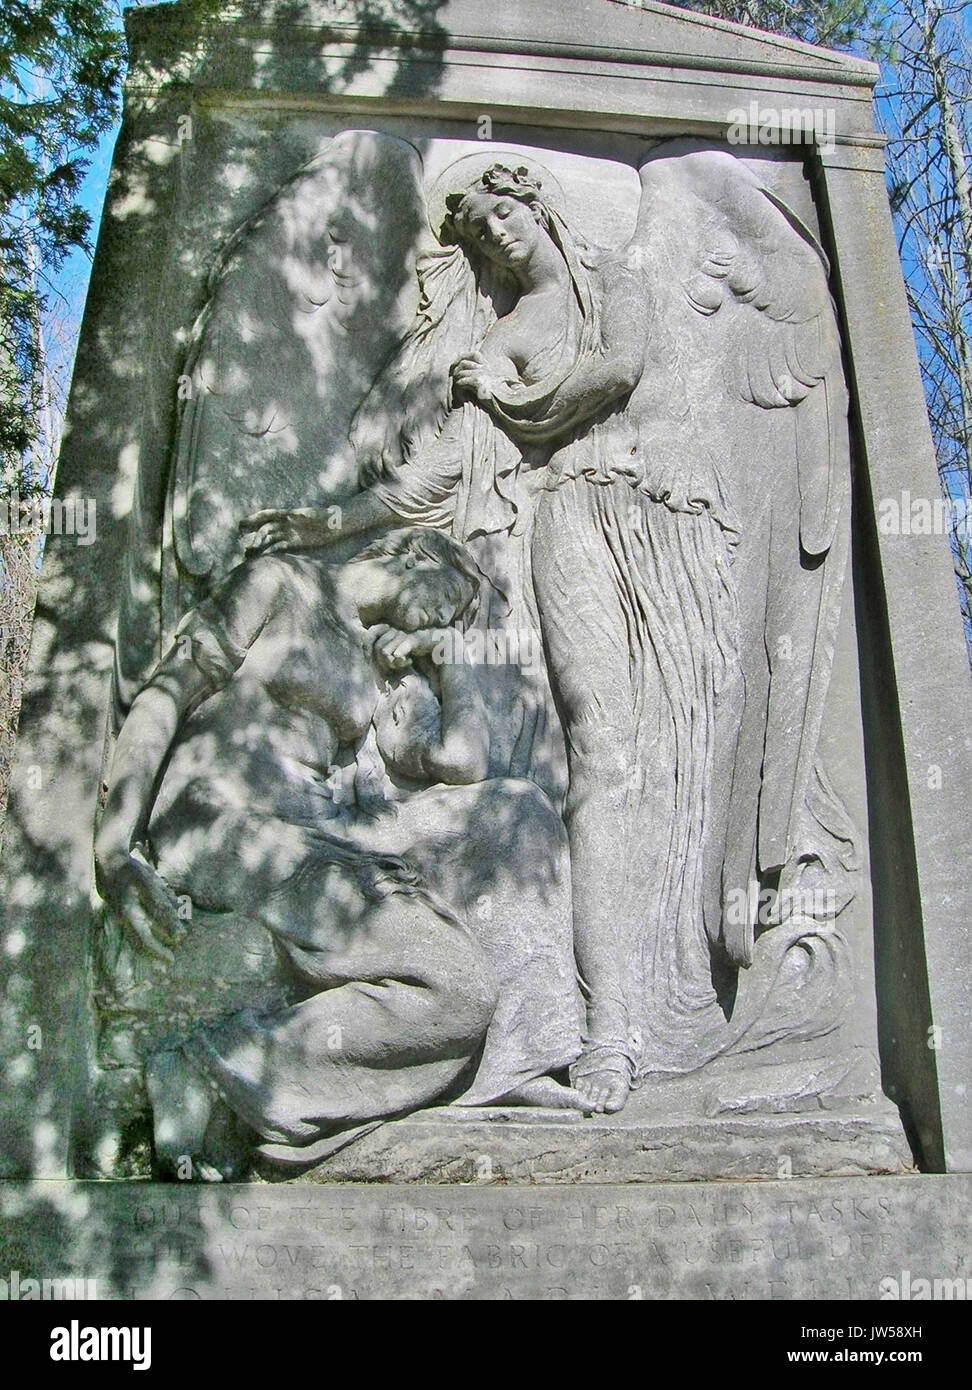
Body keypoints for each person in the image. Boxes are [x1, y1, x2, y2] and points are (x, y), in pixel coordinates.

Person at [239, 161, 742, 1114]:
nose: (496, 237)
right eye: (475, 234)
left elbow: (616, 372)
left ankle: (621, 1024)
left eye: (503, 214)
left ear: (538, 206)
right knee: (569, 767)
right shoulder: (498, 335)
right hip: (557, 539)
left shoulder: (615, 283)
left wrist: (507, 398)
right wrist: (321, 523)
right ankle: (567, 1029)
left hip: (645, 521)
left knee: (626, 763)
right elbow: (430, 478)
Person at [96, 526, 584, 1179]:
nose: (445, 616)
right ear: (413, 556)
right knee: (457, 987)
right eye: (446, 600)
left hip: (326, 831)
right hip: (222, 818)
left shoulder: (379, 661)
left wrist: (451, 656)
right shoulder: (280, 581)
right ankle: (203, 1075)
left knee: (521, 811)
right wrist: (114, 844)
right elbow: (166, 693)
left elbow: (464, 765)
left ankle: (524, 1058)